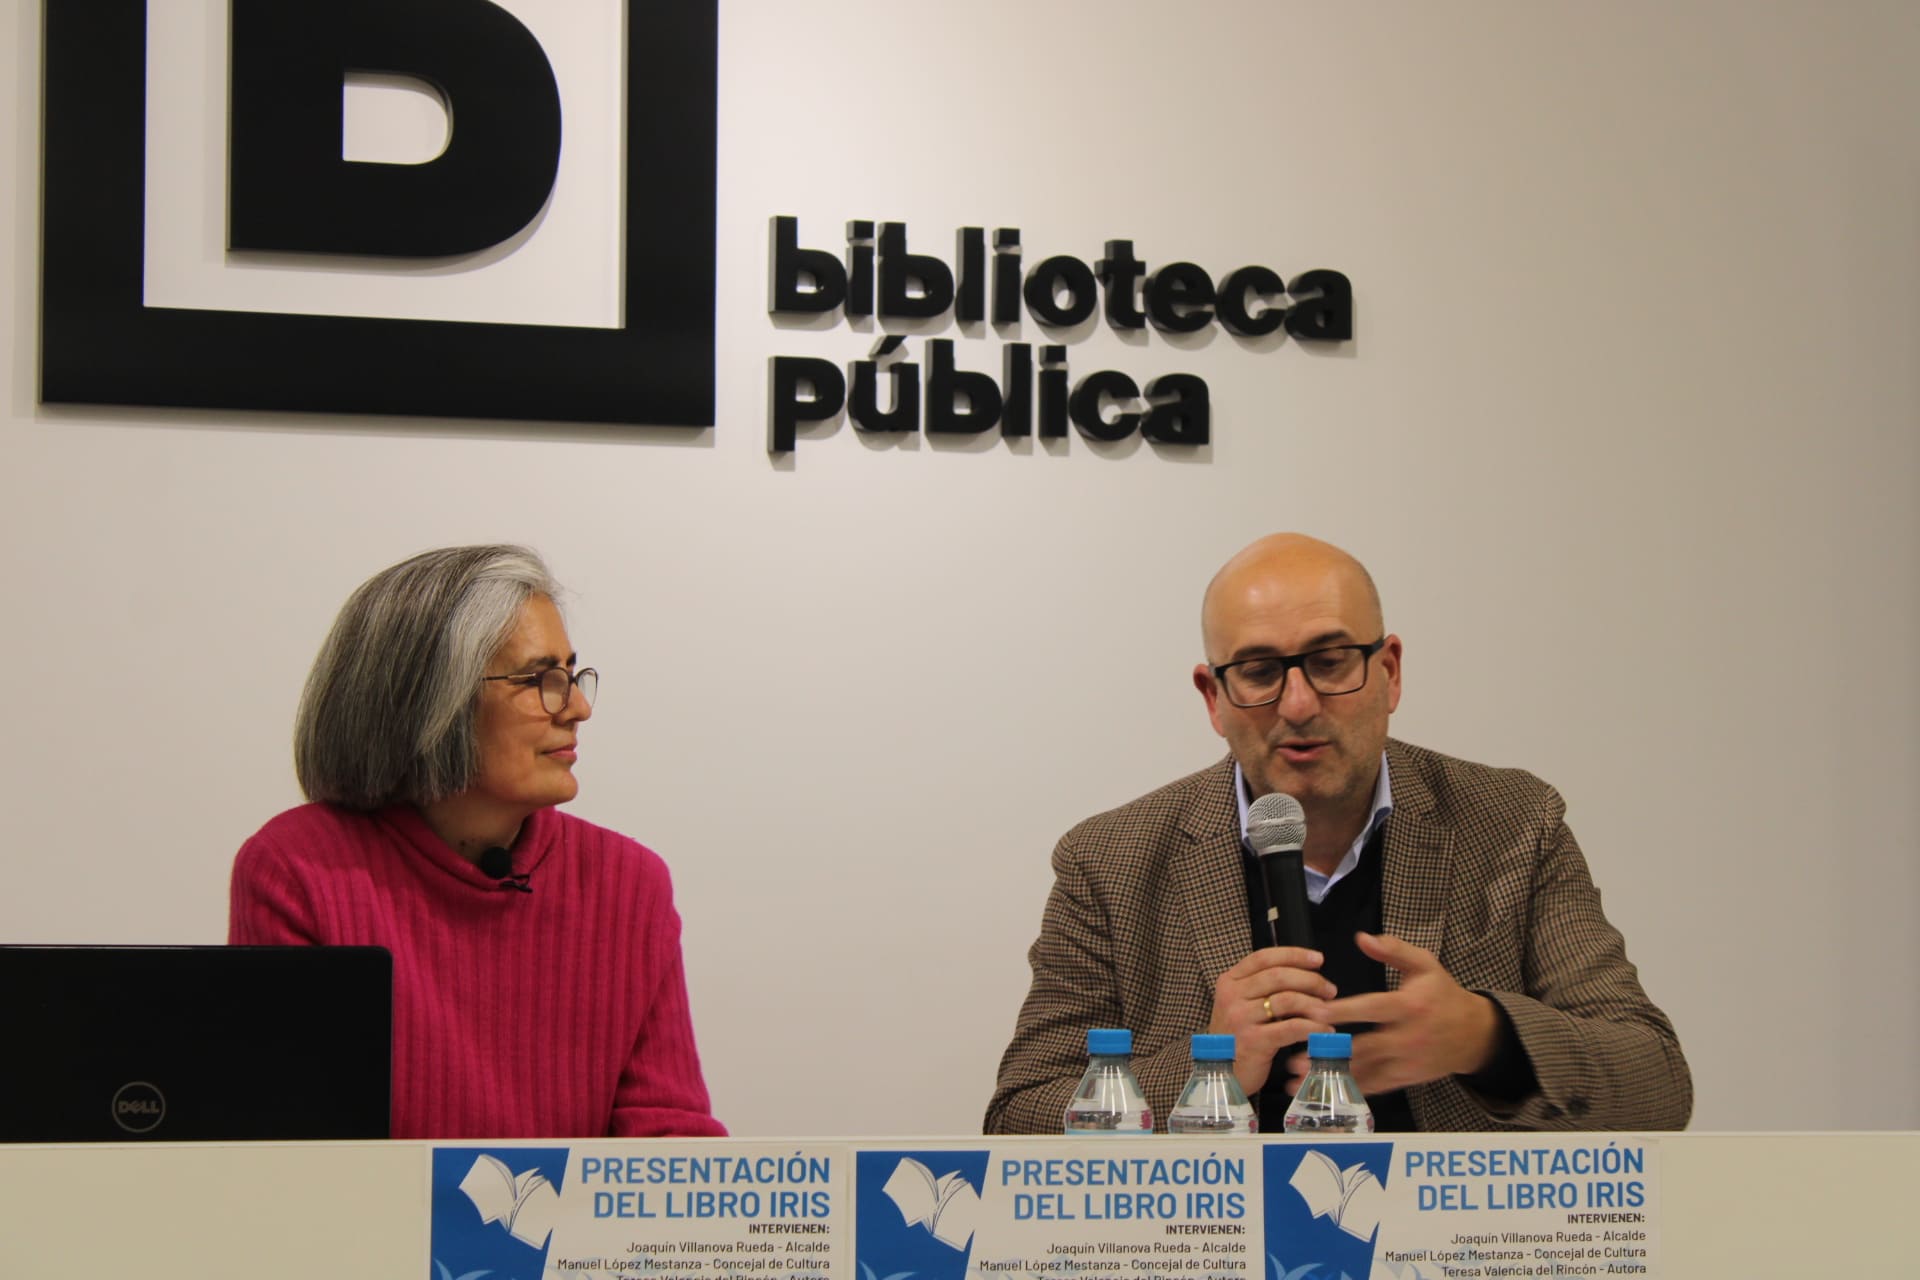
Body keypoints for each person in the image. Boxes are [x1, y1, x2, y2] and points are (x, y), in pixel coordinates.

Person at [985, 533, 1691, 1133]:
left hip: (1453, 1237)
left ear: (1389, 672)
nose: (1298, 704)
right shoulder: (1109, 861)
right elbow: (1019, 1119)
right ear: (1214, 697)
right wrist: (1208, 1066)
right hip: (1216, 1240)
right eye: (1259, 672)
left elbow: (1658, 1084)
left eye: (1329, 663)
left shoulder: (1512, 824)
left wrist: (1487, 1038)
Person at [229, 545, 726, 1139]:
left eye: (571, 675)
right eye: (540, 679)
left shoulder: (628, 883)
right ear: (429, 700)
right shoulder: (299, 869)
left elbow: (668, 1151)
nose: (578, 708)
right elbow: (288, 1151)